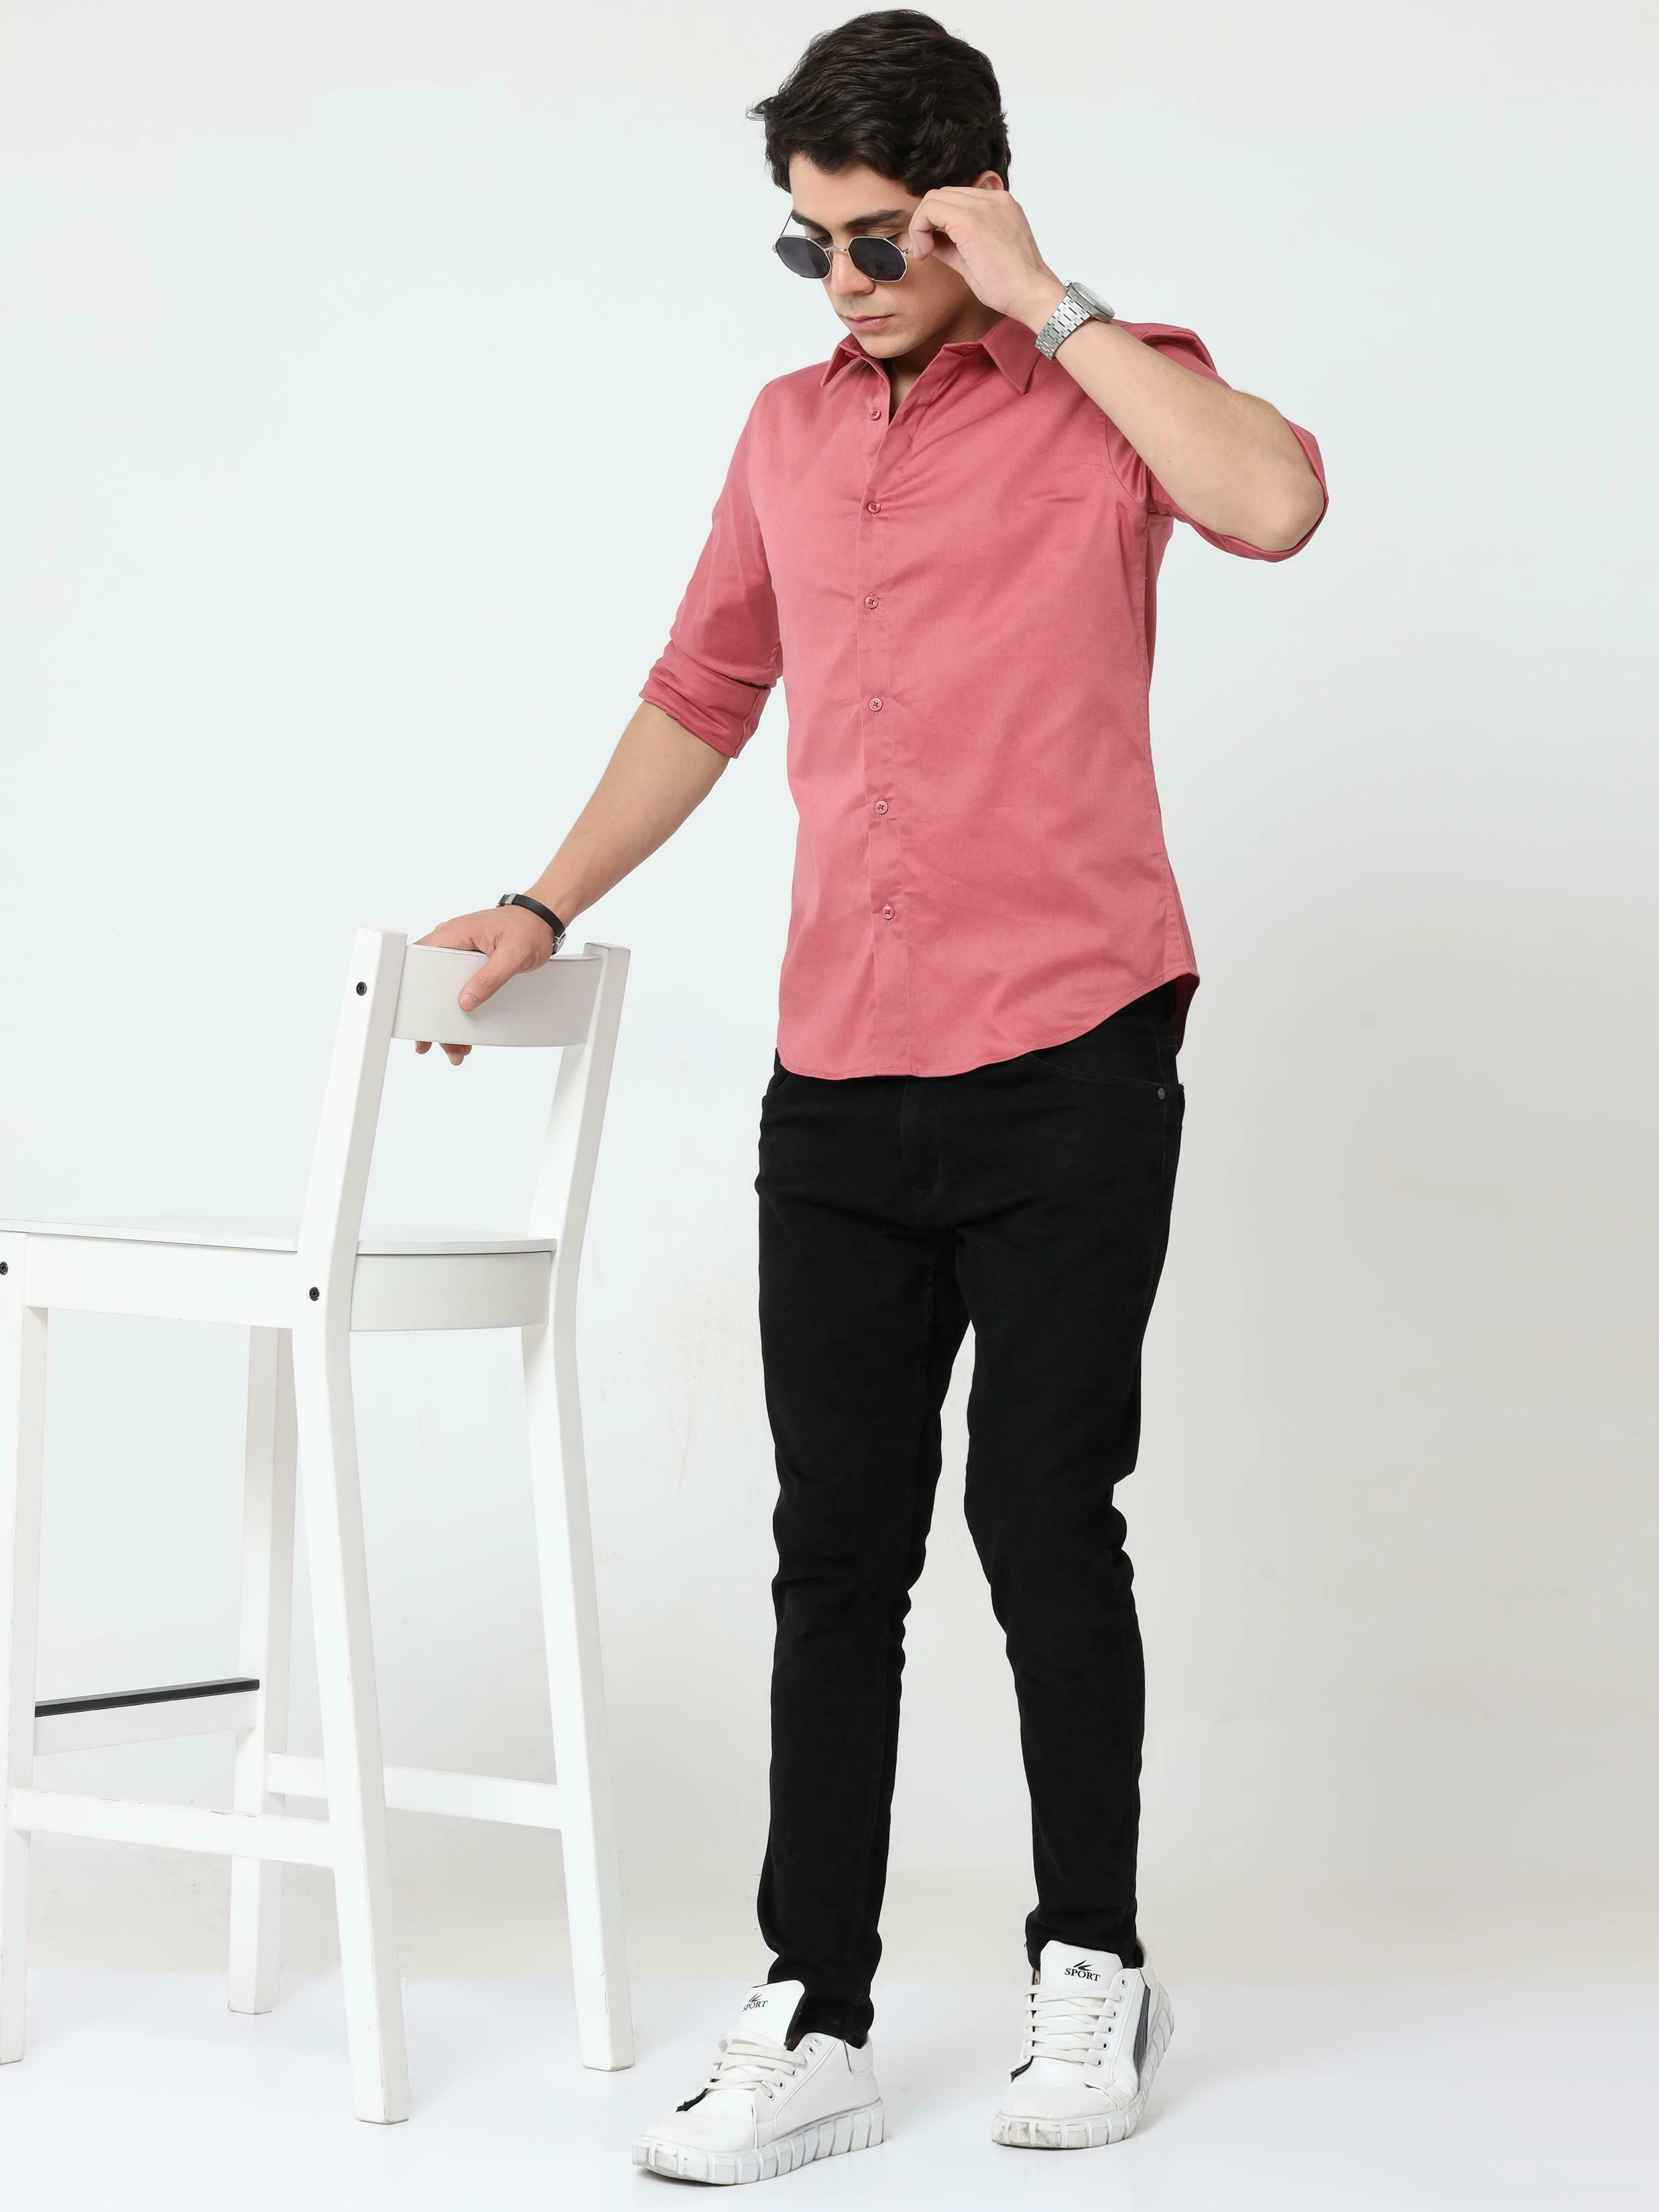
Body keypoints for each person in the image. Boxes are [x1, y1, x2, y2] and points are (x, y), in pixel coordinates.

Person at [420, 9, 1326, 2185]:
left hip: (1076, 1043)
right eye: (807, 243)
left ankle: (1091, 1960)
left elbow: (1277, 503)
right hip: (839, 1068)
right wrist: (540, 900)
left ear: (975, 203)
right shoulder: (783, 433)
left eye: (881, 236)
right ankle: (813, 2008)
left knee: (1040, 1511)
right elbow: (700, 692)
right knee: (834, 1548)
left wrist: (1049, 297)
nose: (841, 280)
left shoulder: (1114, 386)